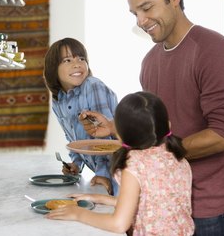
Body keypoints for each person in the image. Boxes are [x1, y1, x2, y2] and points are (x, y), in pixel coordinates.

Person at [79, 0, 224, 235]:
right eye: (134, 13)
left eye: (146, 8)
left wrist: (155, 157)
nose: (141, 21)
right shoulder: (149, 62)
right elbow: (155, 125)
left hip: (207, 211)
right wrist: (115, 127)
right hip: (156, 208)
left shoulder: (213, 50)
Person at [46, 91, 194, 235]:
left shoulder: (135, 164)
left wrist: (79, 214)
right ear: (168, 126)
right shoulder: (179, 158)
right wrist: (101, 199)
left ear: (121, 137)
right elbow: (155, 204)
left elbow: (119, 224)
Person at [43, 37, 119, 195]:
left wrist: (102, 174)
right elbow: (74, 140)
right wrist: (76, 164)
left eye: (81, 58)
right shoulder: (58, 101)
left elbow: (105, 141)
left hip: (119, 174)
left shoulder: (93, 86)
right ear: (53, 68)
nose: (77, 64)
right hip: (103, 175)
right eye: (67, 60)